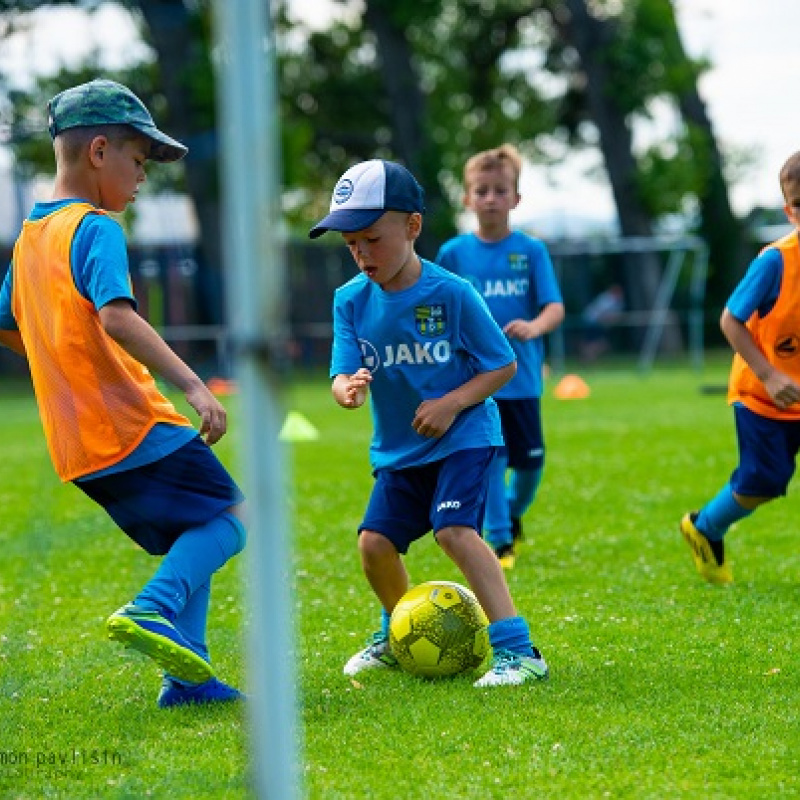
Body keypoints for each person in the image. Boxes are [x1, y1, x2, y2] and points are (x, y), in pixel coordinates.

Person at [0, 79, 246, 708]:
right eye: (139, 162)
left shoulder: (30, 239)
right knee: (236, 518)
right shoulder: (96, 227)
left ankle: (188, 682)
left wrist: (59, 361)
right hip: (130, 422)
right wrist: (193, 384)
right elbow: (115, 317)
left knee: (197, 522)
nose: (142, 178)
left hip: (75, 443)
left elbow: (8, 323)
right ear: (100, 151)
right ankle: (151, 609)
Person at [310, 158, 549, 687]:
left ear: (412, 227)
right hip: (398, 450)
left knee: (455, 531)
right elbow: (342, 368)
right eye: (351, 244)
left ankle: (520, 652)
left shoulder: (452, 293)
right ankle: (400, 637)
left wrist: (451, 403)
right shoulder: (349, 301)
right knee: (374, 544)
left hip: (465, 437)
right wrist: (344, 388)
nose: (361, 254)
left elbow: (502, 364)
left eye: (372, 239)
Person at [435, 144, 564, 569]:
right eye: (481, 190)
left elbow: (554, 307)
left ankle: (510, 512)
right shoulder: (453, 254)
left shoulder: (531, 251)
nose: (490, 198)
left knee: (530, 465)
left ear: (516, 198)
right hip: (476, 382)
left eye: (500, 190)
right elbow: (437, 307)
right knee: (493, 460)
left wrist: (534, 327)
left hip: (522, 379)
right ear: (467, 198)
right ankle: (500, 541)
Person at [681, 150, 800, 585]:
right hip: (762, 396)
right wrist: (770, 375)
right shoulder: (775, 262)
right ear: (789, 210)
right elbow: (731, 320)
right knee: (762, 483)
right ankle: (705, 527)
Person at [580, 283, 624, 362]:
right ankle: (587, 359)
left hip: (599, 324)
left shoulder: (617, 301)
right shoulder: (607, 299)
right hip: (593, 322)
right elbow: (600, 314)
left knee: (599, 344)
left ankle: (588, 360)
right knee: (597, 343)